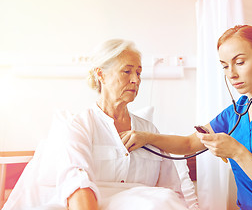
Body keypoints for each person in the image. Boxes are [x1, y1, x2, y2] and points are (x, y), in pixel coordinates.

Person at [122, 25, 252, 210]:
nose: (231, 74)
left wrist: (237, 152)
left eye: (239, 62)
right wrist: (146, 137)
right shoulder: (237, 111)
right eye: (225, 66)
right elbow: (188, 144)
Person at [3, 39, 190, 210]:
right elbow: (77, 186)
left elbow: (172, 191)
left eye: (139, 73)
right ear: (101, 74)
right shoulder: (79, 126)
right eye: (127, 71)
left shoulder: (149, 131)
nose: (136, 80)